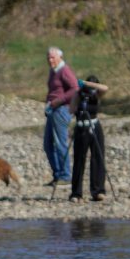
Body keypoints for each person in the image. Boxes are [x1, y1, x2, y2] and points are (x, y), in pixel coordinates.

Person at [69, 75, 109, 202]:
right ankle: (76, 193)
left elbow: (105, 88)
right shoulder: (79, 94)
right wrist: (79, 93)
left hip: (95, 126)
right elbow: (71, 109)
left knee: (98, 157)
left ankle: (98, 191)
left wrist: (88, 84)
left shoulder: (97, 94)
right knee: (79, 160)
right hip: (81, 127)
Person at [43, 46, 78, 187]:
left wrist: (59, 100)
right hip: (52, 109)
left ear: (60, 58)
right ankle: (57, 174)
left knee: (60, 143)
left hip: (61, 109)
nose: (50, 60)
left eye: (53, 57)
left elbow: (75, 88)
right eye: (48, 58)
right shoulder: (53, 71)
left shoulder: (64, 70)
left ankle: (65, 175)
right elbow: (53, 90)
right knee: (48, 144)